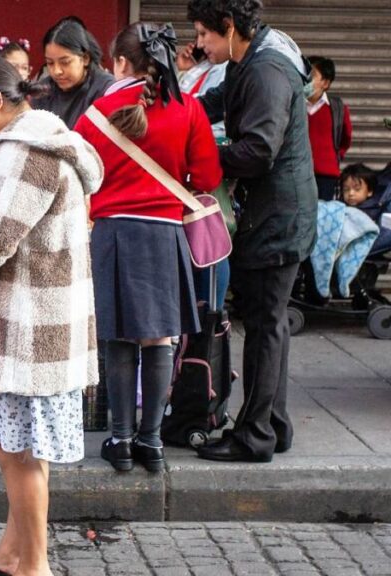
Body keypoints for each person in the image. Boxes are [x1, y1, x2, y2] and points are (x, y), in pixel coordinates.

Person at [0, 54, 103, 576]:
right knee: (19, 447)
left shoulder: (26, 151)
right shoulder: (41, 140)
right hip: (37, 322)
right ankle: (13, 550)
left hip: (29, 326)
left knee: (21, 453)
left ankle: (31, 565)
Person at [73, 23, 222, 473]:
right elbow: (209, 178)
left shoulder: (95, 113)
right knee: (160, 339)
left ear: (119, 62)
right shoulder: (188, 108)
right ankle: (151, 442)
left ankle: (119, 440)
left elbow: (77, 177)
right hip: (163, 233)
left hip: (111, 234)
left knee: (118, 338)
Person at [189, 0, 318, 463]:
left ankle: (254, 437)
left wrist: (202, 158)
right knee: (272, 324)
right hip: (276, 212)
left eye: (204, 34)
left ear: (228, 28)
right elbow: (213, 104)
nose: (199, 45)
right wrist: (176, 109)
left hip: (278, 216)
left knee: (264, 327)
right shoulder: (248, 58)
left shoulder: (265, 71)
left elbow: (259, 151)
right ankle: (274, 427)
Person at [177, 43, 233, 305]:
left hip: (198, 175)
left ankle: (210, 315)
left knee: (208, 242)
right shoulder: (201, 68)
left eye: (204, 34)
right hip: (194, 176)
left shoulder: (227, 70)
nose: (198, 43)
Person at [32, 16, 114, 129]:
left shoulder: (106, 89)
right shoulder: (42, 92)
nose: (57, 71)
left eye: (65, 62)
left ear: (85, 58)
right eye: (50, 63)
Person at [306, 56, 352, 201]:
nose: (306, 79)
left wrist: (332, 158)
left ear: (325, 83)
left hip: (326, 175)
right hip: (298, 174)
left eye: (311, 75)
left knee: (323, 215)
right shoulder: (295, 105)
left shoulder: (337, 108)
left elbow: (346, 138)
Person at [341, 163, 391, 255]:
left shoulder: (373, 211)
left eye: (357, 189)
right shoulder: (340, 209)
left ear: (369, 192)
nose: (351, 193)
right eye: (346, 189)